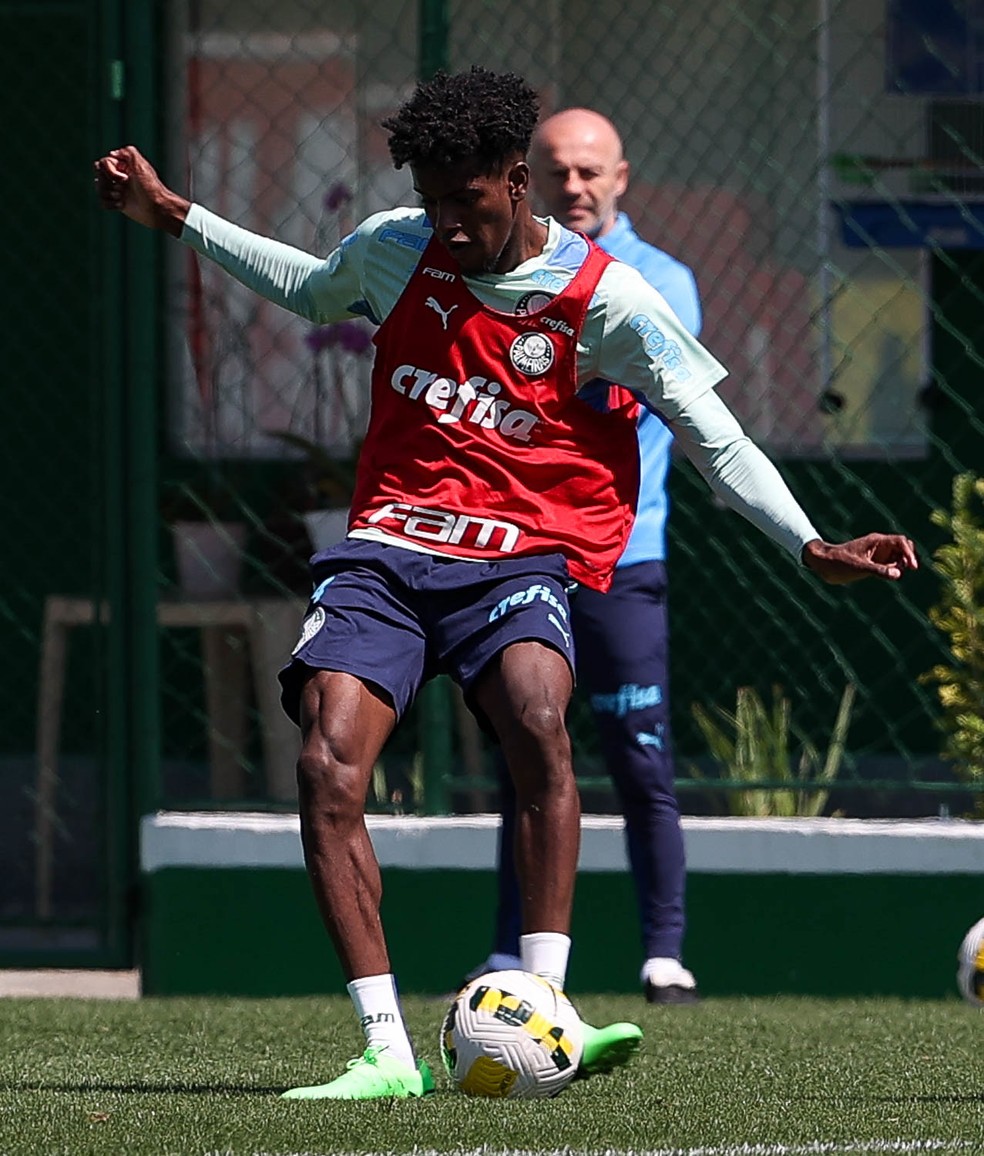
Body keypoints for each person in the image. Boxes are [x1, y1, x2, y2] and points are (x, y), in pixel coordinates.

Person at [94, 66, 917, 1102]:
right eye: (430, 201)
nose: (443, 224)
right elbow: (308, 287)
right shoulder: (395, 250)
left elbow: (715, 434)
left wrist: (809, 543)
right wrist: (174, 216)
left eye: (464, 202)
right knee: (325, 766)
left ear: (515, 180)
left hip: (516, 559)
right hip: (387, 553)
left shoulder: (603, 298)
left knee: (538, 720)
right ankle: (385, 1049)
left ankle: (545, 1006)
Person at [468, 108, 705, 1004]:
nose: (575, 186)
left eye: (590, 171)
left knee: (641, 758)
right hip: (527, 561)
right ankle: (505, 954)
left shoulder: (661, 282)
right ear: (532, 178)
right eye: (558, 171)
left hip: (624, 560)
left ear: (621, 179)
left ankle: (664, 954)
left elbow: (615, 390)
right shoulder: (500, 272)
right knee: (525, 755)